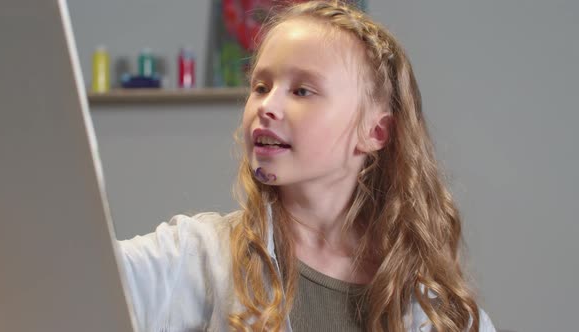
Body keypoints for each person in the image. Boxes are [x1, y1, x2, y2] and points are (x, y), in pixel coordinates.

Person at [118, 1, 496, 331]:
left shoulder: (434, 311)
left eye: (302, 91)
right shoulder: (198, 256)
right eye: (261, 87)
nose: (266, 106)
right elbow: (81, 274)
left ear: (375, 131)